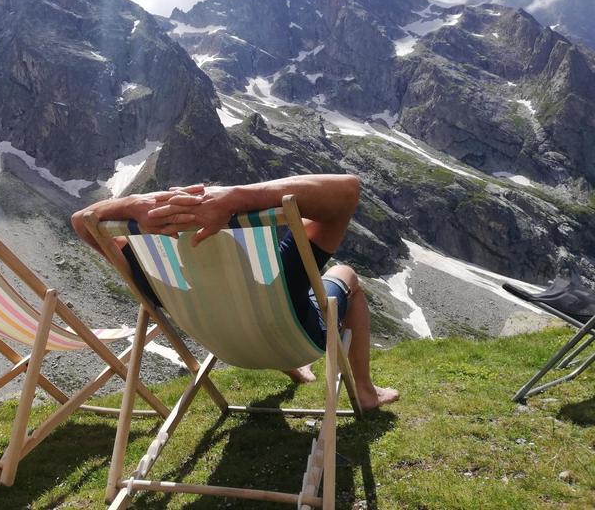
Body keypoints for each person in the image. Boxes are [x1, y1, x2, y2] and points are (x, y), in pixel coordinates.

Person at [71, 175, 399, 411]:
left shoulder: (157, 277)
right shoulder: (280, 272)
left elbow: (81, 221)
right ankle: (367, 392)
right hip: (298, 342)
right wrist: (235, 197)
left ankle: (293, 371)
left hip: (227, 350)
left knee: (250, 308)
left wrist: (134, 205)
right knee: (346, 275)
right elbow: (347, 189)